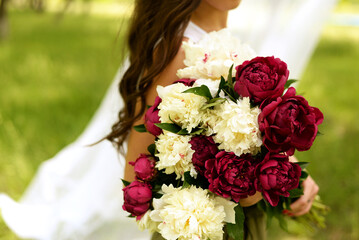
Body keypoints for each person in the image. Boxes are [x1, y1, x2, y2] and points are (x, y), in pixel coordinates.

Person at [0, 0, 338, 239]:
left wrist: (288, 174)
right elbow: (136, 170)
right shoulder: (178, 50)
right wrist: (241, 184)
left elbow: (248, 134)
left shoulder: (231, 43)